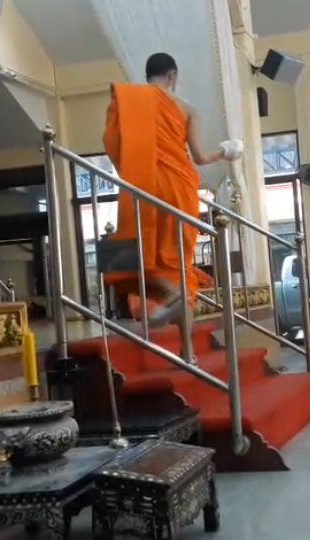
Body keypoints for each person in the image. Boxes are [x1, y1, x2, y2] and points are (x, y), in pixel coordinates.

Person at [102, 52, 244, 363]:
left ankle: (169, 294)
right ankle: (187, 351)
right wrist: (226, 151)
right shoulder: (188, 109)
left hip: (144, 187)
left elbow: (110, 140)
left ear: (148, 75)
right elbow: (200, 157)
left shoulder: (131, 100)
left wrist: (130, 168)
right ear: (173, 76)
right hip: (181, 192)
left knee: (134, 255)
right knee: (180, 267)